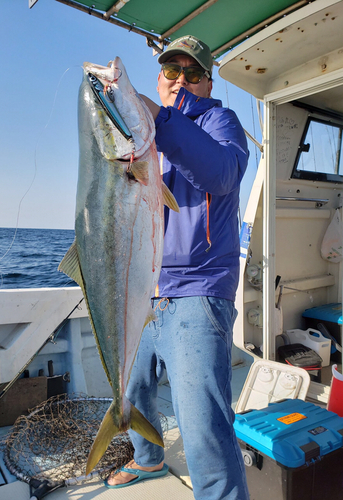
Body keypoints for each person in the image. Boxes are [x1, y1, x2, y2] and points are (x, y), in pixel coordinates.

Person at [106, 35, 250, 499]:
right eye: (172, 71)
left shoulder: (219, 121)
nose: (181, 79)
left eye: (193, 73)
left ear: (208, 82)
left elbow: (222, 173)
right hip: (145, 287)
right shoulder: (144, 133)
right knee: (133, 390)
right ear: (159, 77)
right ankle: (148, 459)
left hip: (198, 292)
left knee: (204, 430)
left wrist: (163, 118)